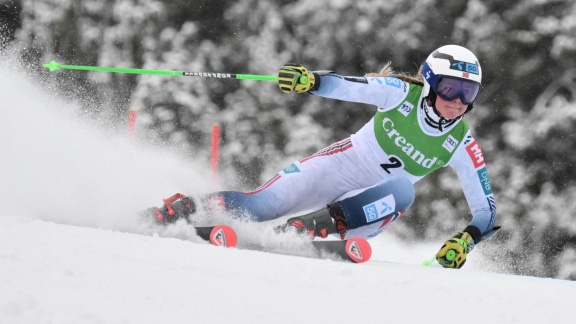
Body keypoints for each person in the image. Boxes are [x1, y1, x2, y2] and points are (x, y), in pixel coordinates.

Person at [146, 45, 497, 269]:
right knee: (263, 205)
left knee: (404, 190)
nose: (458, 101)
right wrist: (311, 81)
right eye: (451, 89)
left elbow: (486, 210)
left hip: (371, 208)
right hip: (338, 167)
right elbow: (348, 85)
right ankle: (185, 209)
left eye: (469, 93)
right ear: (433, 85)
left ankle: (306, 228)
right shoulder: (400, 94)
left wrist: (466, 239)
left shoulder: (461, 142)